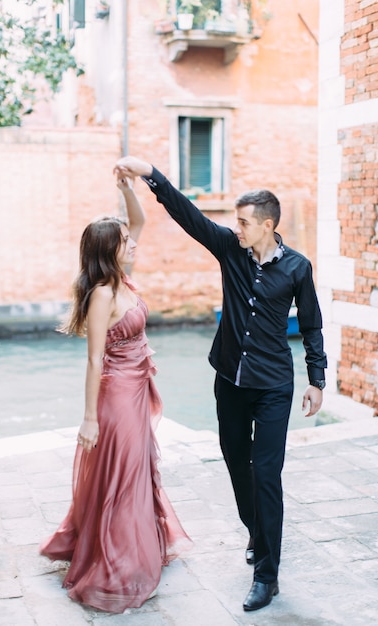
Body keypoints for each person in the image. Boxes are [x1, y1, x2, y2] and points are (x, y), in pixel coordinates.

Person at [114, 156, 327, 612]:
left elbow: (311, 325)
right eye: (237, 221)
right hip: (229, 379)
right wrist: (150, 173)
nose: (238, 228)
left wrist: (317, 379)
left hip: (273, 386)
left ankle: (266, 575)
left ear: (268, 225)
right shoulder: (230, 249)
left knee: (267, 474)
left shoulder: (297, 268)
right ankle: (257, 531)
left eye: (246, 222)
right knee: (236, 463)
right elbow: (187, 215)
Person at [39, 174, 191, 614]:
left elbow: (140, 221)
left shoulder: (125, 279)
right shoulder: (103, 294)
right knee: (123, 478)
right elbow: (93, 361)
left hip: (138, 388)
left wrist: (128, 185)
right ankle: (119, 560)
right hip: (116, 396)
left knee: (138, 470)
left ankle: (137, 544)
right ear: (110, 250)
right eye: (126, 241)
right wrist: (89, 418)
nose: (135, 244)